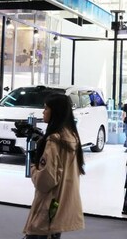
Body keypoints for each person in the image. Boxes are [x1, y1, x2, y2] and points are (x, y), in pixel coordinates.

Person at [23, 93, 85, 239]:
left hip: (49, 204)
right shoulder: (72, 137)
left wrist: (33, 167)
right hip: (61, 204)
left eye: (46, 108)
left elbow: (45, 180)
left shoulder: (54, 140)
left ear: (55, 112)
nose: (43, 112)